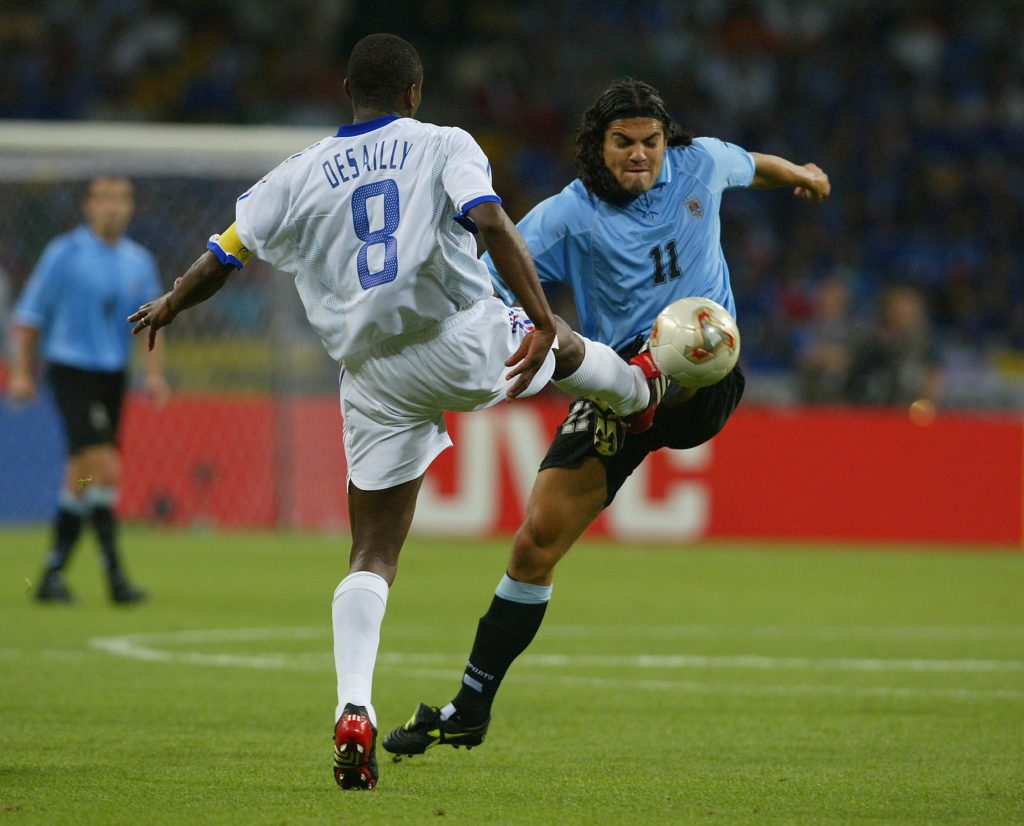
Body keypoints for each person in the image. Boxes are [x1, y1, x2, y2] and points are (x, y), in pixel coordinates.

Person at [127, 35, 665, 791]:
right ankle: (640, 392)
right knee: (564, 346)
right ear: (415, 92)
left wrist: (171, 303)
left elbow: (222, 256)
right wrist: (539, 315)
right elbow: (491, 224)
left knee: (373, 553)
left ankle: (353, 707)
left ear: (348, 88)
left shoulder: (296, 172)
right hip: (455, 337)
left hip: (372, 374)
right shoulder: (445, 142)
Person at [383, 77, 831, 758]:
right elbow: (495, 278)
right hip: (616, 388)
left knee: (695, 328)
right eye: (624, 143)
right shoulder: (567, 216)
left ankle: (648, 384)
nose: (640, 155)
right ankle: (470, 706)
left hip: (701, 376)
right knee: (536, 544)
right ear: (597, 146)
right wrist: (515, 324)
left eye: (650, 142)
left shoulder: (700, 164)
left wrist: (800, 174)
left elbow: (753, 167)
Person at [9, 175, 169, 605]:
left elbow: (152, 323)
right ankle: (115, 576)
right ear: (88, 206)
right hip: (70, 368)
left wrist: (153, 374)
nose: (113, 207)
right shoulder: (65, 254)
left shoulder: (139, 261)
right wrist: (22, 372)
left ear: (131, 207)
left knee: (82, 474)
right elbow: (28, 317)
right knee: (105, 464)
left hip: (112, 374)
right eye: (104, 199)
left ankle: (52, 574)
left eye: (121, 198)